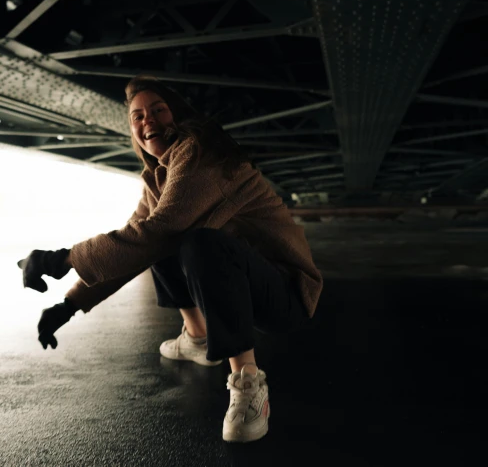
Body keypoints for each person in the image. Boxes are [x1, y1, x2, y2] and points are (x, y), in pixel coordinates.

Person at [17, 75, 323, 443]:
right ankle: (197, 337)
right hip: (244, 290)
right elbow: (135, 245)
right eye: (138, 116)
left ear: (177, 115)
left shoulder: (199, 153)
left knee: (195, 243)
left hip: (285, 296)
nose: (148, 121)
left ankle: (249, 383)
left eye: (158, 110)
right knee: (156, 240)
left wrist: (61, 259)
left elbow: (160, 230)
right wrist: (68, 305)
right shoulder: (157, 179)